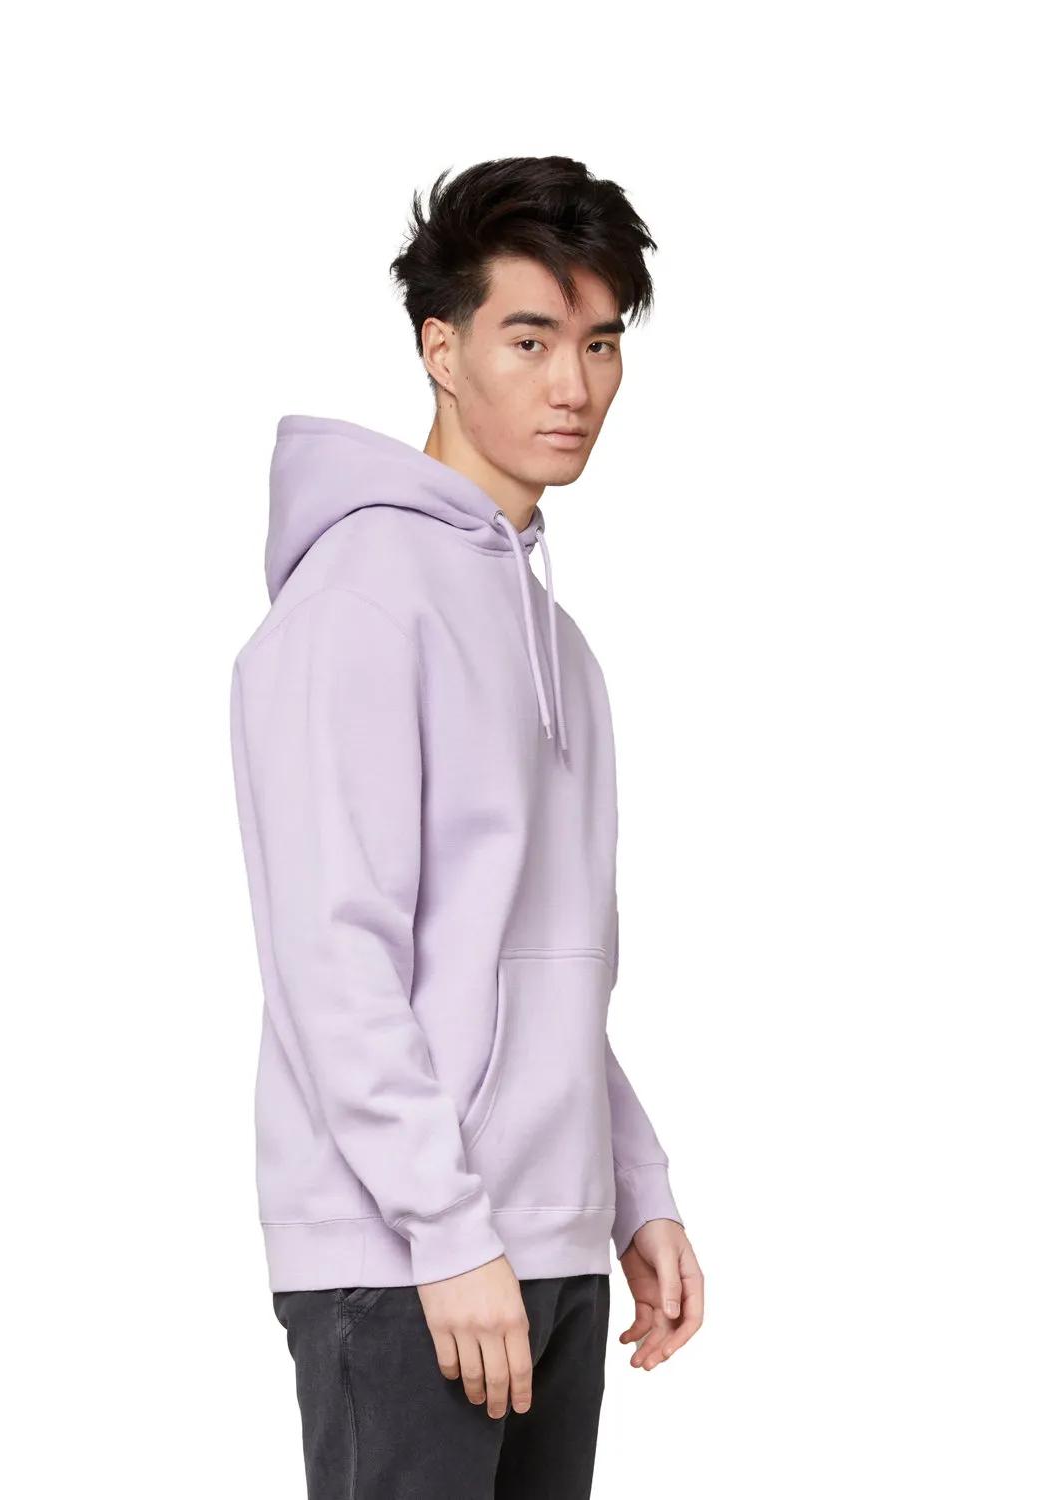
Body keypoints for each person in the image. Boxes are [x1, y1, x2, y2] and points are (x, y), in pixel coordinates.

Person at [228, 154, 704, 1499]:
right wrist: (444, 1229)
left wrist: (634, 1187)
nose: (575, 386)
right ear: (441, 349)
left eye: (600, 343)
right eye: (530, 338)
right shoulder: (358, 603)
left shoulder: (562, 648)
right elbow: (334, 957)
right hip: (404, 1260)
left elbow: (545, 971)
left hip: (547, 1243)